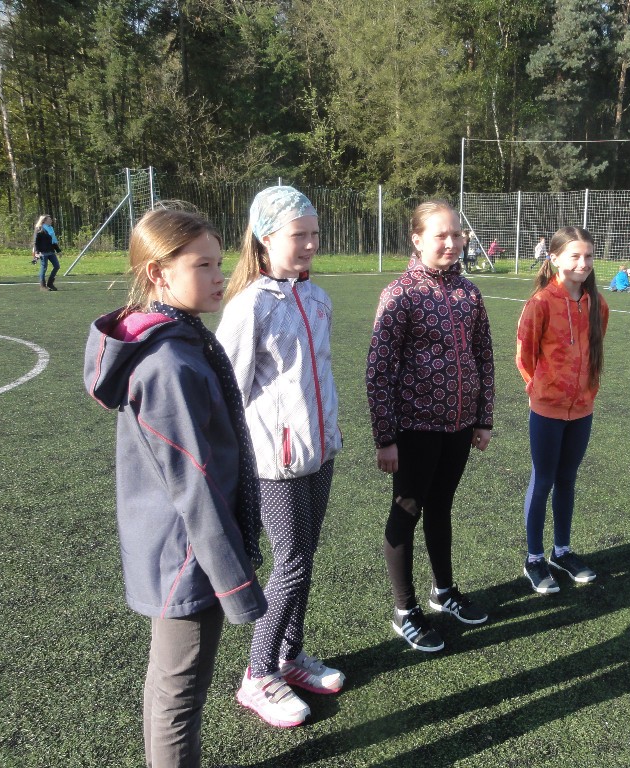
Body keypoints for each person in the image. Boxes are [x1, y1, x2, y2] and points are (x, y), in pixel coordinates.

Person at [83, 206, 267, 768]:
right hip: (188, 554)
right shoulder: (168, 363)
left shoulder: (182, 341)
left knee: (170, 685)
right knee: (178, 696)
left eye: (220, 262)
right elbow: (194, 485)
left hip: (180, 547)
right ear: (158, 274)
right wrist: (234, 581)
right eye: (202, 265)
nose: (220, 276)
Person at [216, 186, 344, 729]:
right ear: (266, 239)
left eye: (314, 233)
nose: (310, 243)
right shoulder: (250, 306)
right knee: (290, 564)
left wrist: (329, 431)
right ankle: (257, 673)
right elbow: (229, 389)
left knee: (304, 560)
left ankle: (290, 656)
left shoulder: (317, 298)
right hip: (276, 464)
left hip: (320, 453)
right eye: (299, 235)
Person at [366, 200, 495, 652]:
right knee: (407, 511)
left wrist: (483, 418)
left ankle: (444, 591)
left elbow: (484, 357)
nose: (451, 242)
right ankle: (405, 610)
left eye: (456, 234)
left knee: (441, 507)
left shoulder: (469, 293)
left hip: (459, 425)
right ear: (417, 239)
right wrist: (386, 437)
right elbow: (379, 370)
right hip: (415, 427)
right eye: (441, 235)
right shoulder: (400, 294)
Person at [516, 227, 609, 594]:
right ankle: (534, 558)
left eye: (588, 256)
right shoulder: (540, 303)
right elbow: (524, 356)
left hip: (582, 409)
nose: (583, 263)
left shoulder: (598, 304)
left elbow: (595, 350)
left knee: (568, 479)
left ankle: (562, 551)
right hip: (547, 410)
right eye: (575, 256)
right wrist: (541, 389)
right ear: (554, 258)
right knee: (543, 480)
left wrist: (587, 390)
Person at [33, 214, 62, 291]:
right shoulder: (39, 228)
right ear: (44, 221)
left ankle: (50, 283)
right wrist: (37, 252)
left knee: (57, 266)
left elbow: (53, 241)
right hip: (43, 252)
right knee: (44, 267)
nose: (51, 220)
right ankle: (42, 285)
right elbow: (35, 242)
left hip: (51, 251)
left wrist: (58, 250)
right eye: (49, 219)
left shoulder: (51, 228)